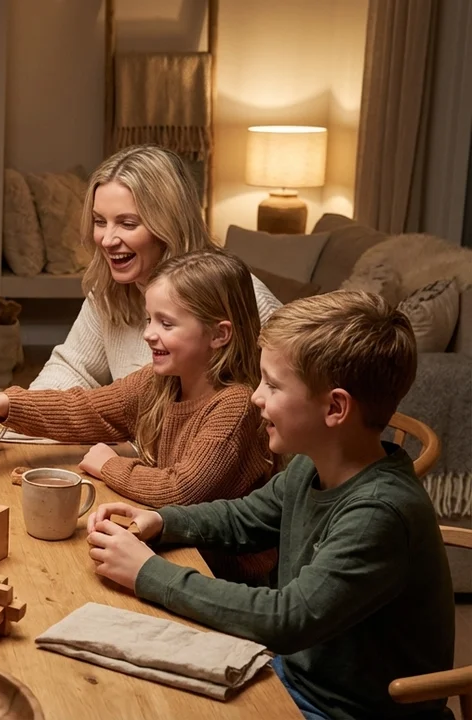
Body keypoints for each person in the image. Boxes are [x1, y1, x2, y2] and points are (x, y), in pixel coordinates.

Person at [86, 291, 454, 720]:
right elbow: (242, 517)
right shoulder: (311, 467)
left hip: (346, 710)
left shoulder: (378, 513)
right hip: (291, 673)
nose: (256, 397)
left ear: (335, 407)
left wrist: (148, 573)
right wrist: (161, 521)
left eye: (273, 385)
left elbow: (285, 619)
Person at [0, 249, 274, 584]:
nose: (148, 333)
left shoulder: (236, 405)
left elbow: (180, 490)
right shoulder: (160, 382)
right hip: (176, 552)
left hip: (222, 577)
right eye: (149, 319)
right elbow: (87, 407)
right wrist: (6, 403)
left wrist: (108, 464)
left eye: (166, 323)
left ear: (219, 334)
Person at [29, 144, 281, 392]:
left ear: (168, 226)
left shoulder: (244, 294)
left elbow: (290, 398)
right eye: (99, 221)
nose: (107, 240)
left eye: (127, 223)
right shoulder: (108, 291)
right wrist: (21, 416)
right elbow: (73, 368)